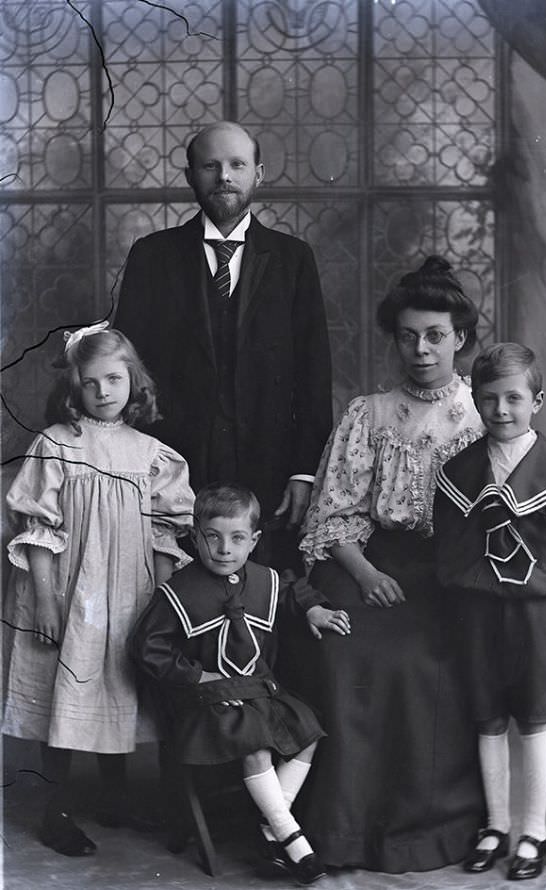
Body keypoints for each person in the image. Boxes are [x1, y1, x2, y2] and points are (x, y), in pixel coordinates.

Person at [278, 255, 487, 873]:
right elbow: (334, 512)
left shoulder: (484, 417)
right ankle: (340, 831)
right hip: (364, 557)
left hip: (449, 571)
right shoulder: (368, 413)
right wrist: (366, 575)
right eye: (407, 336)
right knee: (348, 649)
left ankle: (423, 831)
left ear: (462, 339)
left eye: (435, 336)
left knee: (424, 660)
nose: (420, 350)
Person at [2, 323, 195, 856]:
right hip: (67, 589)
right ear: (74, 387)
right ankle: (55, 808)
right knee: (65, 688)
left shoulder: (152, 453)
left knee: (119, 686)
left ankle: (115, 797)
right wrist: (43, 599)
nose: (105, 391)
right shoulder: (57, 445)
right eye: (92, 382)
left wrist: (164, 600)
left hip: (129, 591)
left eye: (115, 378)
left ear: (134, 381)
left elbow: (164, 534)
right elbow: (38, 530)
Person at [114, 121, 333, 569]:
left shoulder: (293, 259)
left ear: (259, 173)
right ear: (191, 175)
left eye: (237, 164)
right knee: (171, 582)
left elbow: (314, 373)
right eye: (210, 166)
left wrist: (303, 470)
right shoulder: (153, 255)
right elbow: (129, 368)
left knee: (267, 591)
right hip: (174, 462)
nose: (224, 176)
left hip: (268, 463)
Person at [131, 482, 350, 885]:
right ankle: (293, 841)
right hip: (207, 699)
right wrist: (197, 676)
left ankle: (271, 829)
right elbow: (147, 647)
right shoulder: (178, 591)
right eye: (212, 537)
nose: (224, 549)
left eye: (237, 539)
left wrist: (314, 608)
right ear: (195, 537)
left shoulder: (262, 578)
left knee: (308, 730)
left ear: (254, 541)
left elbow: (290, 590)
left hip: (257, 690)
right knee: (256, 742)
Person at [434, 343, 546, 880]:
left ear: (537, 401)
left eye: (513, 398)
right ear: (475, 402)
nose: (501, 410)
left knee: (533, 718)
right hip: (478, 611)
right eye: (488, 399)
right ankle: (496, 825)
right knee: (486, 716)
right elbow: (449, 548)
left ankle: (534, 833)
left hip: (534, 612)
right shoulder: (459, 472)